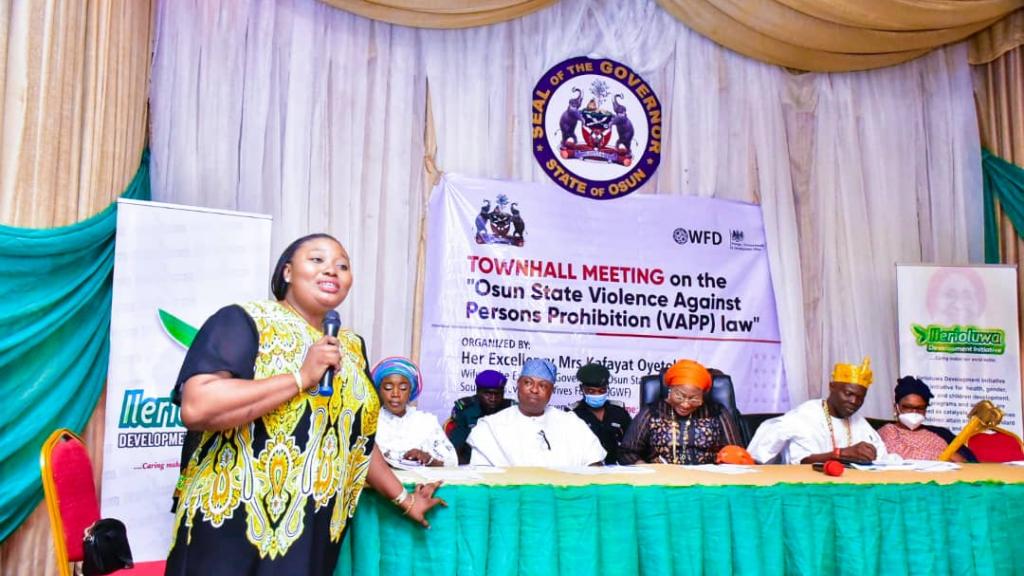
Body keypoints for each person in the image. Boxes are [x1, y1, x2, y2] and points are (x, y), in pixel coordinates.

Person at [166, 234, 444, 575]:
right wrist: (300, 378)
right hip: (231, 523)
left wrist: (405, 499)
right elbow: (198, 406)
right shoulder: (245, 320)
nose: (332, 270)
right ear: (287, 272)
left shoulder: (351, 346)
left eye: (342, 266)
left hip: (312, 528)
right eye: (317, 260)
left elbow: (356, 440)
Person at [466, 357, 606, 466]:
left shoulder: (571, 423)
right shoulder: (490, 427)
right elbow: (481, 475)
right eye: (528, 382)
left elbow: (594, 465)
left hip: (565, 500)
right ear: (518, 385)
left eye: (543, 385)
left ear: (552, 391)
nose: (534, 389)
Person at [747, 357, 888, 464]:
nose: (854, 402)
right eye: (848, 394)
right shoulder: (805, 416)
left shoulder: (860, 423)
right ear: (831, 387)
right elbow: (800, 463)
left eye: (860, 397)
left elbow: (883, 460)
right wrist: (840, 454)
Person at [618, 359, 743, 465]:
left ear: (703, 395)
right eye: (679, 396)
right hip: (663, 482)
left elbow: (736, 452)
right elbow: (627, 452)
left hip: (707, 483)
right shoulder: (652, 412)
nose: (685, 404)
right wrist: (647, 470)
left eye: (694, 399)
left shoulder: (717, 412)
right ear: (670, 390)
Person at [372, 356, 458, 467]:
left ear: (410, 391)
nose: (395, 394)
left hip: (423, 483)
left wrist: (428, 459)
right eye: (388, 388)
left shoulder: (426, 421)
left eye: (403, 388)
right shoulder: (369, 421)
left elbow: (451, 463)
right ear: (379, 391)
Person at [878, 376, 975, 462]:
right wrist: (945, 455)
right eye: (908, 407)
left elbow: (965, 459)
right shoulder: (889, 430)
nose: (914, 412)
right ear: (896, 407)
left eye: (920, 408)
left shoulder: (940, 433)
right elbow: (904, 455)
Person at [569, 362, 632, 464]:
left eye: (602, 390)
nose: (597, 394)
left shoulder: (618, 412)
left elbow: (632, 445)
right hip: (585, 470)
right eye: (591, 391)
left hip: (617, 469)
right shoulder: (573, 415)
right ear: (582, 389)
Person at [446, 369, 514, 464]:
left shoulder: (511, 410)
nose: (493, 399)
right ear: (478, 392)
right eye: (488, 393)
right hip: (472, 464)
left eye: (497, 394)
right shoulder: (466, 411)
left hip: (506, 464)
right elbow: (455, 448)